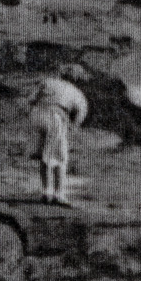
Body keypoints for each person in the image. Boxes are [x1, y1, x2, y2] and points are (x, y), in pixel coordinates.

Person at [27, 72, 89, 206]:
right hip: (55, 115)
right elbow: (81, 113)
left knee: (45, 155)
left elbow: (30, 99)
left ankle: (46, 192)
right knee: (60, 157)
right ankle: (59, 195)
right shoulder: (76, 92)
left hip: (36, 114)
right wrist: (71, 127)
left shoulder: (47, 81)